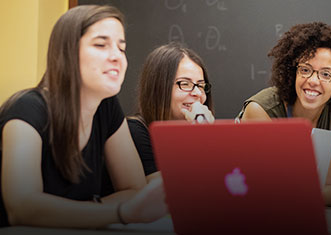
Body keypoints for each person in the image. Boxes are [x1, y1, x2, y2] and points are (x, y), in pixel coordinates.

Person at [0, 5, 167, 228]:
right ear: (66, 52)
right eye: (101, 45)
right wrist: (119, 212)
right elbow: (21, 208)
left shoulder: (107, 108)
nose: (116, 57)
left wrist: (80, 213)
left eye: (122, 48)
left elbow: (134, 189)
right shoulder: (26, 110)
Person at [237, 22, 331, 208]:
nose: (312, 81)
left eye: (326, 74)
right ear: (293, 72)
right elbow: (280, 192)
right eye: (305, 70)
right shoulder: (261, 111)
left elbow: (325, 189)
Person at [129, 43, 214, 179]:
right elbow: (163, 190)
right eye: (185, 84)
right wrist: (200, 138)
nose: (197, 93)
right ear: (159, 87)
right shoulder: (135, 132)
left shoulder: (193, 130)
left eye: (201, 85)